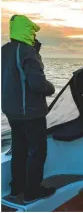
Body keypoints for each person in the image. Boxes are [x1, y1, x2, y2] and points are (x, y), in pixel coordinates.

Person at [1, 15, 56, 204]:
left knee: (19, 150)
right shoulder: (28, 52)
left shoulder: (5, 50)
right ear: (28, 32)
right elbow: (38, 84)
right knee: (37, 151)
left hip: (12, 112)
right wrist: (51, 87)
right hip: (31, 113)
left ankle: (16, 190)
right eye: (33, 33)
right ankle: (33, 192)